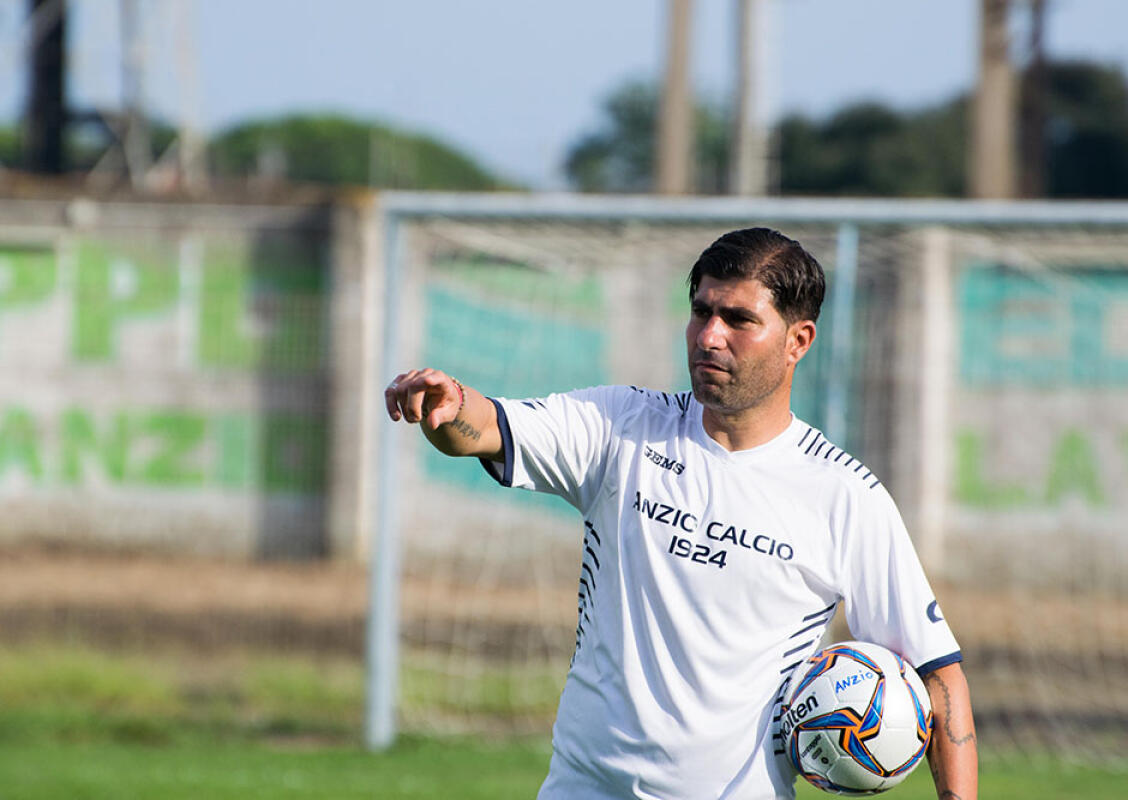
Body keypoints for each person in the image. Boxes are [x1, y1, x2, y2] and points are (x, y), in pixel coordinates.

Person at [385, 227, 977, 800]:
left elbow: (937, 673)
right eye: (701, 312)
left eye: (739, 319)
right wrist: (448, 403)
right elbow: (485, 429)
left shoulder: (845, 494)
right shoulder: (622, 427)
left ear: (799, 341)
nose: (709, 336)